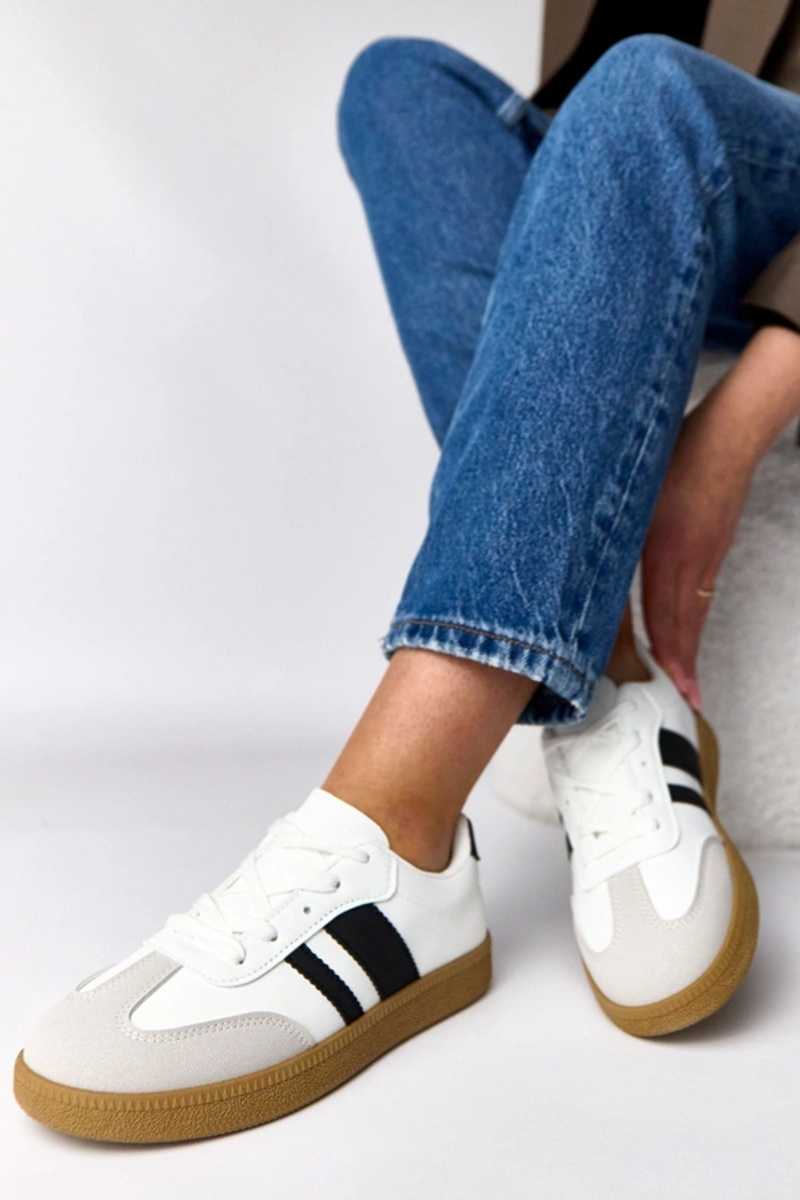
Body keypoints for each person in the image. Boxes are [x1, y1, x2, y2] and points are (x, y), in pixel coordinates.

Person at [13, 0, 800, 1143]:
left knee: (644, 87)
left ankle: (392, 823)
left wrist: (732, 428)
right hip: (633, 168)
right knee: (399, 87)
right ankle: (613, 686)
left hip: (749, 173)